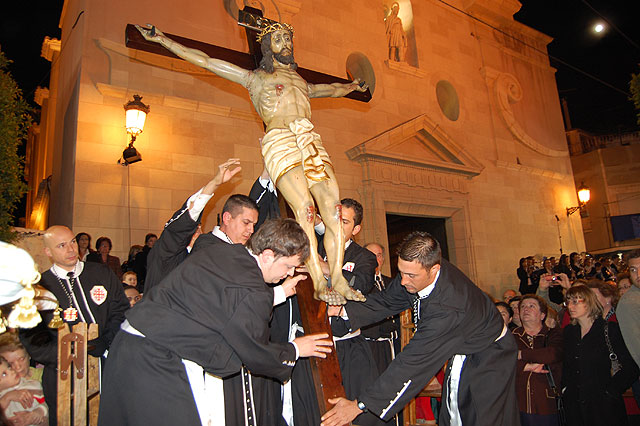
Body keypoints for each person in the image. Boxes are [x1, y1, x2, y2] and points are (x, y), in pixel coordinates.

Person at [136, 22, 368, 305]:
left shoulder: (303, 83)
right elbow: (208, 62)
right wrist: (163, 39)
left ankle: (339, 279)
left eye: (288, 38)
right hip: (281, 138)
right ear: (267, 46)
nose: (286, 43)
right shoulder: (255, 79)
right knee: (305, 210)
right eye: (278, 39)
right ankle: (319, 283)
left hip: (309, 138)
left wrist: (353, 86)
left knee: (332, 210)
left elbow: (332, 89)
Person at [97, 218, 333, 426]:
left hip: (128, 347)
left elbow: (223, 303)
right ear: (268, 255)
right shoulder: (253, 288)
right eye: (289, 266)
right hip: (158, 361)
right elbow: (254, 353)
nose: (290, 273)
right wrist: (294, 349)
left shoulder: (226, 253)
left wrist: (278, 293)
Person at [322, 231, 519, 426]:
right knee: (451, 415)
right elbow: (387, 300)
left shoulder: (449, 309)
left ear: (433, 270)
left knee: (477, 415)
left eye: (410, 275)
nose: (403, 281)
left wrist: (359, 405)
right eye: (401, 272)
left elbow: (411, 364)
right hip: (465, 345)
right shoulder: (419, 271)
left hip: (488, 356)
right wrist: (344, 311)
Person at [19, 225, 129, 425]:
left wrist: (107, 339)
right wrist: (68, 354)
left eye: (72, 242)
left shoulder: (101, 273)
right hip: (63, 375)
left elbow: (120, 309)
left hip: (106, 366)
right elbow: (32, 337)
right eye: (61, 245)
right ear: (48, 252)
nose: (71, 249)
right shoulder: (39, 288)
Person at [143, 158, 242, 294]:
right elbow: (178, 229)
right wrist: (214, 184)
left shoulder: (202, 258)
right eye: (193, 228)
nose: (198, 231)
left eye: (199, 227)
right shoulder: (166, 254)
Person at [562, 284, 639, 426]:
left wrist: (610, 391)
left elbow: (631, 367)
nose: (570, 306)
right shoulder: (569, 332)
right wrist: (565, 390)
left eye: (576, 301)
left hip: (603, 407)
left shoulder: (609, 330)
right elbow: (566, 366)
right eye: (568, 301)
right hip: (576, 406)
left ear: (590, 302)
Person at [512, 295, 563, 426]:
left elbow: (551, 355)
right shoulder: (511, 336)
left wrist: (520, 354)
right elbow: (500, 361)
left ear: (542, 315)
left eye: (531, 306)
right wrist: (526, 367)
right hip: (517, 403)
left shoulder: (553, 334)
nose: (525, 309)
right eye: (522, 306)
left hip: (545, 402)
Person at [0, 357, 48, 426]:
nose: (12, 371)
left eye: (9, 367)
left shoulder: (32, 385)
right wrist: (8, 396)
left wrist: (39, 411)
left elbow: (47, 402)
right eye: (4, 374)